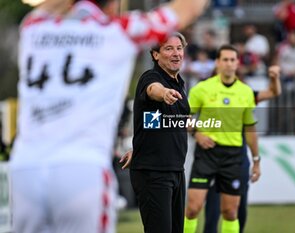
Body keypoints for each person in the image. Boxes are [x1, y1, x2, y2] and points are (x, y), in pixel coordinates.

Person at [9, 0, 209, 232]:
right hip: (81, 167)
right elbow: (189, 7)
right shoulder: (118, 31)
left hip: (26, 167)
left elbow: (48, 8)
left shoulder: (34, 27)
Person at [184, 44, 261, 233]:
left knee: (230, 212)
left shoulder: (245, 92)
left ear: (237, 63)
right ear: (217, 63)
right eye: (225, 60)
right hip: (207, 153)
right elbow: (183, 117)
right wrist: (197, 134)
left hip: (233, 156)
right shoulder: (201, 89)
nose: (228, 64)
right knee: (193, 208)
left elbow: (250, 128)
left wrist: (256, 160)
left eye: (232, 60)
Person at [121, 32, 189, 233]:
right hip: (154, 174)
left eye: (179, 48)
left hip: (176, 170)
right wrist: (164, 93)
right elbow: (153, 90)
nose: (176, 53)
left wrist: (140, 148)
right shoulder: (151, 78)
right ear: (155, 55)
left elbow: (155, 123)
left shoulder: (179, 83)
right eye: (169, 48)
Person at [203, 65, 281, 233]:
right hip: (212, 159)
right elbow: (185, 117)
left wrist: (274, 78)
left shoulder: (244, 95)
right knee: (213, 210)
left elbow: (272, 93)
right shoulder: (206, 93)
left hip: (237, 160)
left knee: (238, 210)